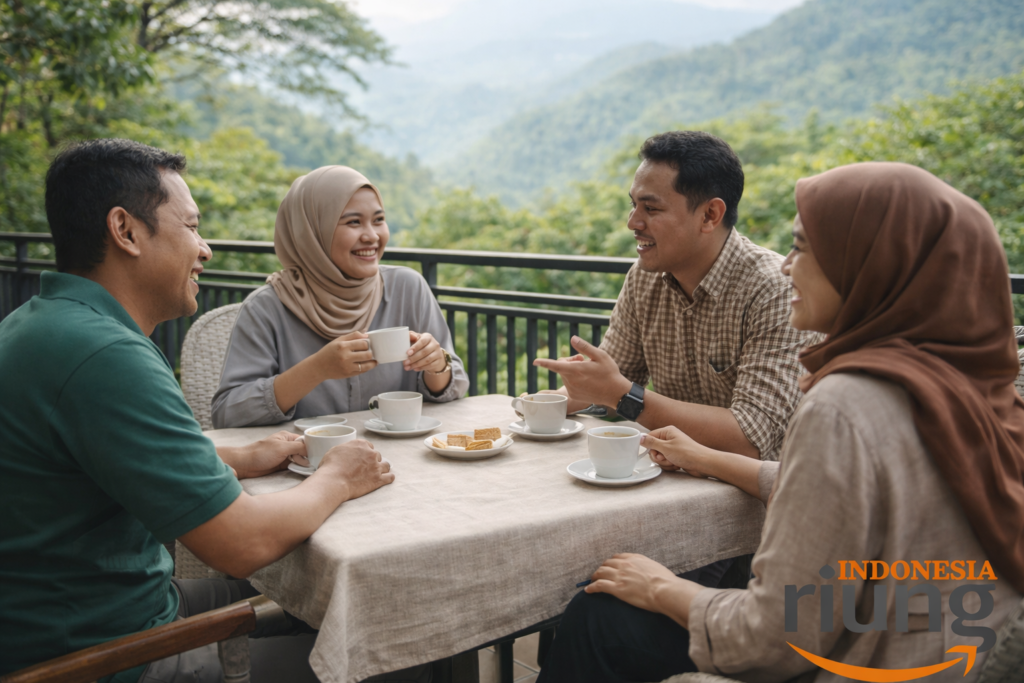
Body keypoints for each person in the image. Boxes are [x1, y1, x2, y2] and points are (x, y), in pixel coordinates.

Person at [536, 162, 1024, 682]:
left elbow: (772, 639)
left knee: (598, 617)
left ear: (869, 265)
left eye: (804, 247)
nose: (787, 265)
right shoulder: (970, 389)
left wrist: (660, 587)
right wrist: (707, 458)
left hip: (858, 660)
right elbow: (857, 490)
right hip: (932, 652)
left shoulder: (845, 404)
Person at [0, 140, 399, 683]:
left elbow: (98, 456)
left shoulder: (41, 325)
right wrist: (338, 478)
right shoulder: (106, 356)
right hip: (103, 655)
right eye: (190, 227)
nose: (205, 248)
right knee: (390, 642)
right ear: (126, 231)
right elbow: (243, 544)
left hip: (88, 609)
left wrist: (235, 454)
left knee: (327, 603)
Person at [536, 131, 813, 462]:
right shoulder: (645, 278)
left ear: (710, 215)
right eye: (633, 205)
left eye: (651, 208)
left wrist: (623, 394)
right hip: (679, 480)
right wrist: (549, 402)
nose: (632, 222)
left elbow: (751, 438)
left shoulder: (774, 290)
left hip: (765, 500)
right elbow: (611, 386)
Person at [212, 166, 468, 428]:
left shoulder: (408, 287)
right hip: (309, 465)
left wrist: (437, 365)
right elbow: (227, 414)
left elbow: (452, 386)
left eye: (378, 220)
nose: (372, 236)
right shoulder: (267, 307)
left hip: (400, 459)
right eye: (353, 222)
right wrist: (317, 369)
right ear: (312, 232)